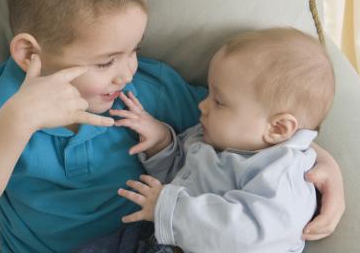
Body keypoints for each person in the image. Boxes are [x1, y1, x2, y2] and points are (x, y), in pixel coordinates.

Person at [0, 0, 344, 253]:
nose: (127, 71)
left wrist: (318, 160)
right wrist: (19, 120)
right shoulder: (0, 103)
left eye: (133, 50)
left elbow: (245, 124)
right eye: (106, 62)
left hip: (148, 240)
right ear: (31, 54)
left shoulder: (148, 89)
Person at [110, 28, 336, 253]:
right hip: (158, 232)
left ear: (277, 128)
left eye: (218, 101)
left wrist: (170, 209)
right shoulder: (215, 137)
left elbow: (247, 237)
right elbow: (182, 179)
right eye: (209, 93)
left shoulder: (281, 174)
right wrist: (161, 144)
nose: (203, 105)